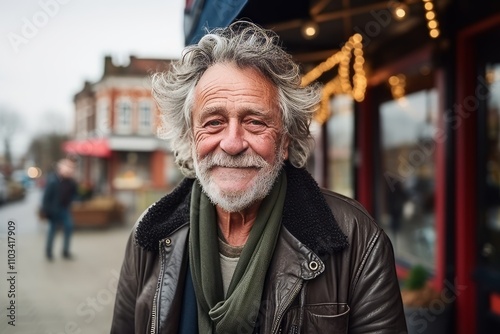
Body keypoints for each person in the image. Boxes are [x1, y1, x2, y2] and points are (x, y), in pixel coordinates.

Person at [111, 21, 407, 333]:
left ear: (285, 141)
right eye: (213, 122)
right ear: (189, 137)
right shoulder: (150, 234)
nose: (233, 143)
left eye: (255, 122)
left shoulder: (356, 237)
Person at [41, 157, 78, 261]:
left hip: (64, 209)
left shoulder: (71, 182)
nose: (69, 170)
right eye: (67, 168)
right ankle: (49, 252)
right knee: (52, 231)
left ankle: (65, 251)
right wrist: (45, 211)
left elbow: (75, 194)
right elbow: (46, 197)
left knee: (69, 227)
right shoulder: (53, 180)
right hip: (53, 210)